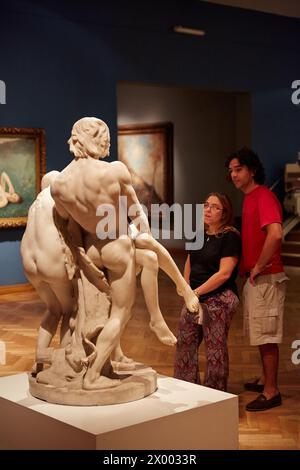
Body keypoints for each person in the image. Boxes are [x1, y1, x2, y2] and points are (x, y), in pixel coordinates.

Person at [50, 117, 198, 389]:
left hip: (94, 249)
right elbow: (135, 209)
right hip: (117, 246)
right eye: (105, 140)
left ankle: (162, 311)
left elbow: (65, 224)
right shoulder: (114, 171)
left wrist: (81, 255)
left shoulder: (59, 184)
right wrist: (144, 232)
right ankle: (93, 377)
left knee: (151, 257)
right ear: (96, 139)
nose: (107, 146)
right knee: (121, 312)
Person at [226, 147, 288, 411]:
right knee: (262, 333)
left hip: (267, 276)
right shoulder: (250, 198)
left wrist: (259, 266)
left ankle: (272, 391)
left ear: (252, 170)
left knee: (268, 335)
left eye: (238, 169)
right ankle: (265, 379)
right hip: (257, 277)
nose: (233, 175)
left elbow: (275, 234)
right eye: (230, 171)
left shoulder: (263, 196)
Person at [174, 192, 241, 391]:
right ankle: (186, 388)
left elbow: (224, 273)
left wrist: (196, 292)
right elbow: (189, 262)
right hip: (195, 295)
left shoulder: (230, 236)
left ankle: (214, 393)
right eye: (206, 205)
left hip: (219, 297)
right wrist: (187, 290)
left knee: (214, 349)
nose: (208, 210)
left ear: (224, 213)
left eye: (214, 207)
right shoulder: (199, 233)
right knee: (184, 342)